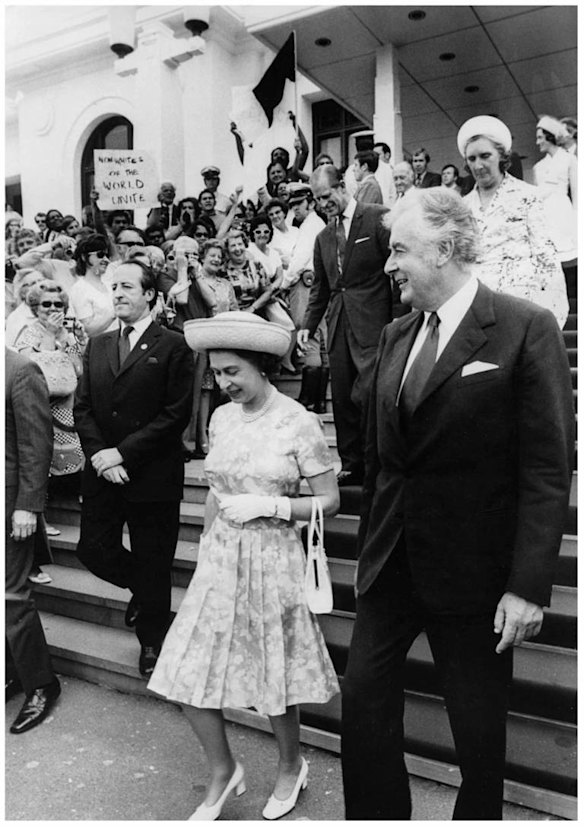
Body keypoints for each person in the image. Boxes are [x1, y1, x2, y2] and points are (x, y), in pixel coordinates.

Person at [341, 187, 575, 820]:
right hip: (390, 564)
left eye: (398, 250)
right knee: (362, 702)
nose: (387, 265)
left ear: (445, 249)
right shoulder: (394, 335)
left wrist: (528, 586)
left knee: (477, 731)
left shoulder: (526, 327)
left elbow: (550, 468)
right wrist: (367, 550)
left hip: (476, 575)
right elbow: (381, 458)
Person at [148, 311, 340, 821]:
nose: (223, 383)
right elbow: (216, 489)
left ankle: (290, 765)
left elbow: (331, 499)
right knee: (185, 669)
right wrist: (206, 548)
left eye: (233, 371)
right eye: (216, 373)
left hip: (274, 556)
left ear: (262, 366)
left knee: (272, 674)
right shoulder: (221, 417)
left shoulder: (299, 421)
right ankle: (223, 770)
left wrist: (274, 507)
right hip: (221, 557)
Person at [73, 259, 194, 676]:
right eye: (114, 287)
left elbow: (176, 414)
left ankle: (152, 643)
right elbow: (83, 408)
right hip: (103, 471)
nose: (118, 294)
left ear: (151, 296)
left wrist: (122, 453)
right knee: (93, 550)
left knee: (154, 558)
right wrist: (100, 457)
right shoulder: (100, 344)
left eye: (127, 287)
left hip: (151, 473)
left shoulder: (173, 344)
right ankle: (142, 591)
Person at [298, 165, 391, 485]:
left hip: (374, 322)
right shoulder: (323, 237)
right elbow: (320, 288)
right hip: (338, 324)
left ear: (341, 187)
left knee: (370, 393)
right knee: (342, 395)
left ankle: (378, 460)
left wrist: (398, 320)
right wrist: (308, 325)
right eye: (316, 200)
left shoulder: (378, 217)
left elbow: (395, 270)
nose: (323, 204)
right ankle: (352, 463)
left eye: (326, 196)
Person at [459, 115, 569, 328]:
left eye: (485, 156)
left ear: (502, 156)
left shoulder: (529, 196)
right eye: (471, 159)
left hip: (521, 313)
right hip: (475, 315)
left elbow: (547, 262)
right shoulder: (462, 208)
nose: (478, 165)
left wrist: (552, 322)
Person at [6, 347, 62, 734]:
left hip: (10, 506)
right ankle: (16, 673)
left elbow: (37, 445)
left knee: (11, 597)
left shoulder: (20, 370)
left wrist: (28, 506)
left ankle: (42, 684)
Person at [282, 184, 328, 411]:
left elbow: (300, 259)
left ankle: (309, 398)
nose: (295, 209)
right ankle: (317, 401)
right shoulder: (315, 224)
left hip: (305, 283)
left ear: (310, 203)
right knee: (319, 341)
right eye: (291, 205)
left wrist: (285, 281)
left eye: (298, 204)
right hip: (317, 284)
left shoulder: (311, 225)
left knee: (307, 334)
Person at [534, 115, 578, 271]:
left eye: (540, 138)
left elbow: (578, 198)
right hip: (546, 218)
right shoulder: (538, 167)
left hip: (565, 216)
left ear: (550, 137)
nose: (537, 142)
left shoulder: (569, 160)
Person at [70, 233, 116, 338]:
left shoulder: (110, 284)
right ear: (84, 257)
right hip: (97, 347)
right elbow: (87, 330)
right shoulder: (79, 289)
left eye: (107, 256)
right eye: (100, 255)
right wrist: (115, 313)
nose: (106, 260)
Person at [5, 269, 44, 346]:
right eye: (33, 283)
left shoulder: (54, 306)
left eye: (41, 281)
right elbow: (11, 348)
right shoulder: (17, 317)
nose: (39, 286)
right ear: (23, 293)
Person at [372, 141, 397, 207]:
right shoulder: (376, 171)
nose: (375, 158)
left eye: (378, 155)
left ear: (387, 155)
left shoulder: (393, 171)